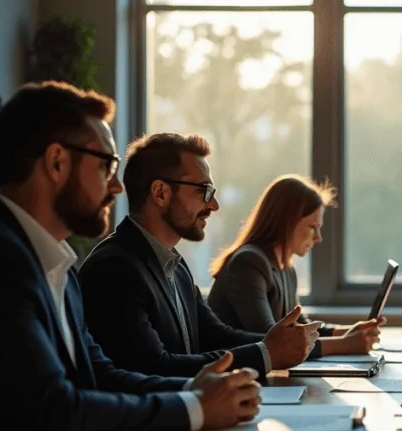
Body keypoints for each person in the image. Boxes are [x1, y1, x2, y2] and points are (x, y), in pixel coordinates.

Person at [0, 82, 262, 431]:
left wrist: (193, 390)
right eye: (106, 165)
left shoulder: (52, 260)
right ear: (57, 162)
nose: (117, 186)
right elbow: (56, 412)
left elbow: (97, 374)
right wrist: (192, 408)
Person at [78, 134, 319, 379]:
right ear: (161, 193)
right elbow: (152, 367)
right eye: (203, 191)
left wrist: (278, 345)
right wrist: (267, 353)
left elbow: (214, 336)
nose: (213, 205)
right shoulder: (114, 269)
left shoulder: (175, 265)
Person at [207, 175, 384, 356]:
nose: (318, 238)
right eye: (312, 227)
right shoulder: (248, 263)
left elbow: (301, 328)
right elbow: (273, 341)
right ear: (287, 222)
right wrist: (344, 344)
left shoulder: (287, 269)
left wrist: (350, 332)